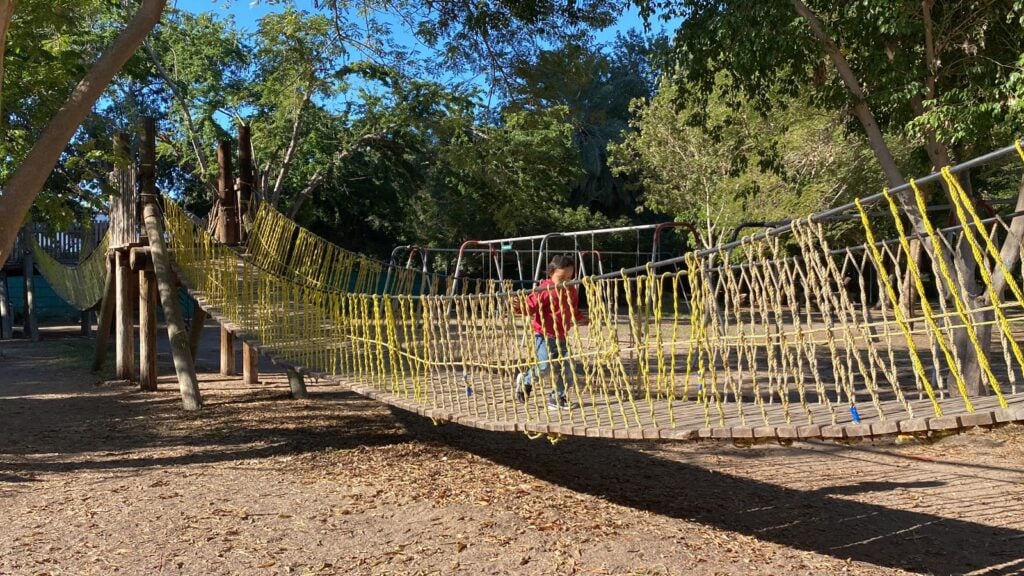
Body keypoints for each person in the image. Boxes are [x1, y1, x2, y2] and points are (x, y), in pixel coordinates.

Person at [513, 254, 589, 410]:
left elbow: (572, 310)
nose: (566, 281)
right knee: (544, 366)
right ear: (551, 273)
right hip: (544, 335)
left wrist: (582, 319)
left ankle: (557, 397)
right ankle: (526, 381)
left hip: (561, 336)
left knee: (568, 368)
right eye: (562, 278)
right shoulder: (544, 289)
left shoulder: (571, 290)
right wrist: (518, 306)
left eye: (570, 277)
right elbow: (530, 307)